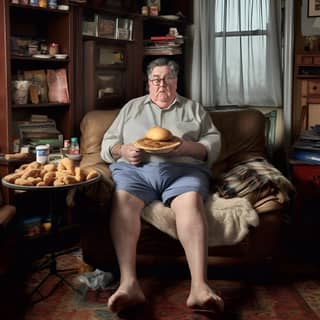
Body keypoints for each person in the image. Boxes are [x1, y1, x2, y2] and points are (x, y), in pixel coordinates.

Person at [100, 57, 224, 314]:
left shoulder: (194, 109)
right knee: (122, 201)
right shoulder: (131, 108)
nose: (162, 85)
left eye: (168, 78)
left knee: (189, 202)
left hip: (183, 169)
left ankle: (199, 288)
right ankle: (128, 284)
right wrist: (123, 149)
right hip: (137, 171)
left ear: (176, 80)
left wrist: (185, 147)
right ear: (148, 83)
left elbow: (212, 144)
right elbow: (107, 145)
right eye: (156, 79)